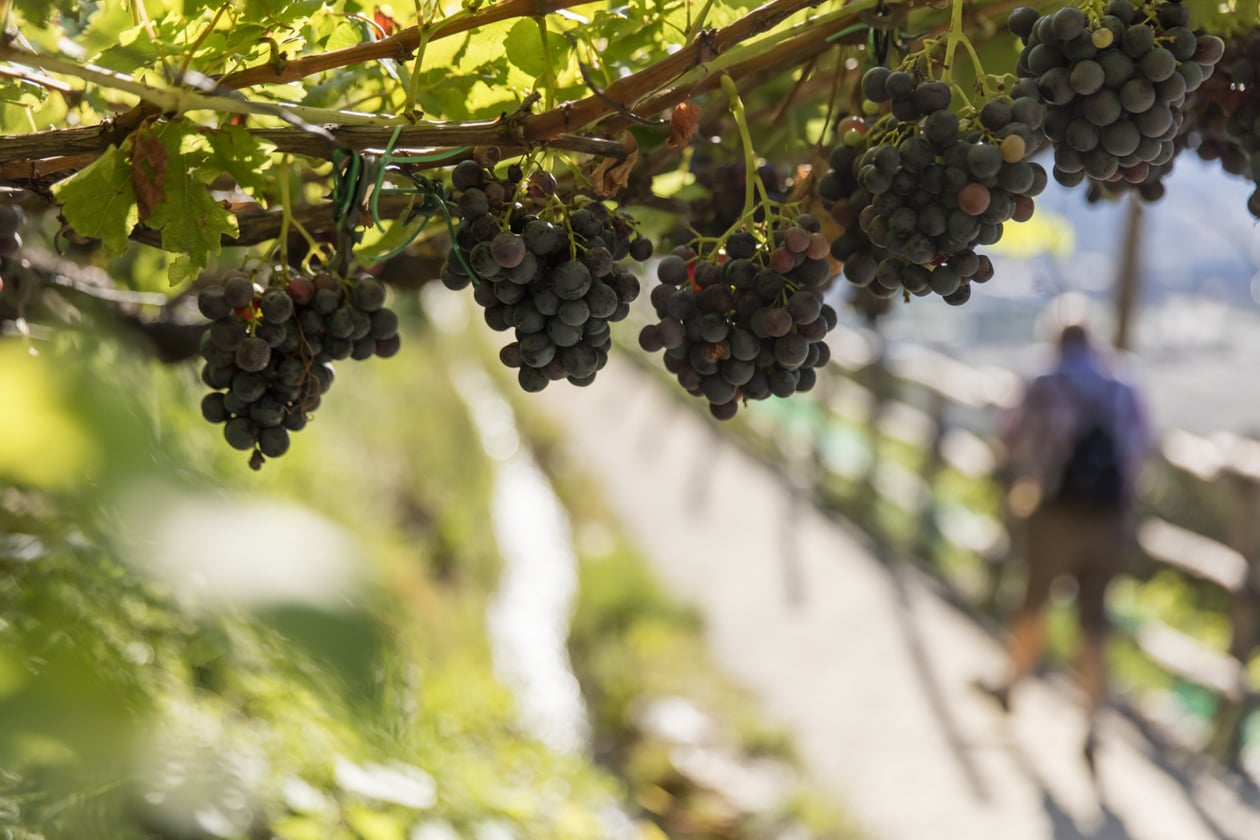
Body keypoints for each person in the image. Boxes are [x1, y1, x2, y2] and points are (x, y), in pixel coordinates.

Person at [980, 322, 1150, 769]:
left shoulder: (1044, 378)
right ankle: (1094, 723)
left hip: (1054, 511)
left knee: (1033, 600)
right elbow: (1139, 449)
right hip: (1109, 520)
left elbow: (1010, 436)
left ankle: (1011, 684)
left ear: (1057, 340)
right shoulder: (1124, 382)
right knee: (1094, 623)